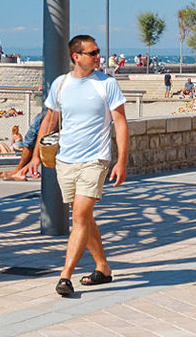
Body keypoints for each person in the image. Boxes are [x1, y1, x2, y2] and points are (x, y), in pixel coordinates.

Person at [38, 34, 129, 297]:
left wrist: (121, 160)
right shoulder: (61, 84)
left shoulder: (107, 84)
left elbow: (120, 123)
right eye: (93, 53)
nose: (98, 57)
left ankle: (65, 276)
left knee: (79, 216)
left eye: (98, 52)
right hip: (65, 160)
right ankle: (103, 267)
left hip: (95, 160)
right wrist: (34, 157)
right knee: (84, 217)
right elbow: (49, 122)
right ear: (76, 56)